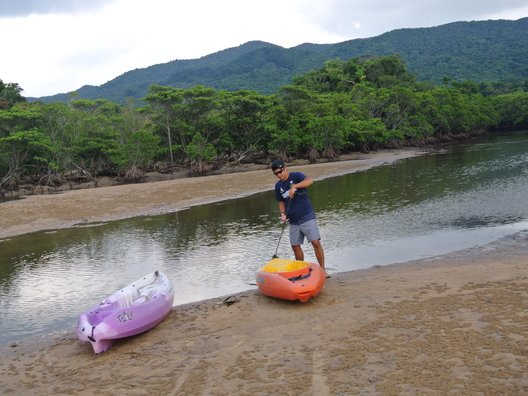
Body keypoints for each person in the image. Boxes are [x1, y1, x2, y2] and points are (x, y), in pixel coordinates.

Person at [270, 159, 326, 274]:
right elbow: (280, 201)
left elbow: (310, 181)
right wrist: (282, 214)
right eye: (276, 173)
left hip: (306, 215)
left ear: (285, 168)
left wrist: (295, 186)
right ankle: (301, 270)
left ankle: (323, 270)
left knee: (315, 242)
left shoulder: (295, 176)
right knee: (295, 246)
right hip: (293, 220)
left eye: (280, 172)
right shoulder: (278, 186)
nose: (279, 175)